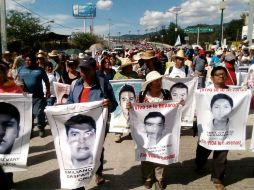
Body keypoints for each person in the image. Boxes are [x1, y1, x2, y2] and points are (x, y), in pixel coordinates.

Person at [67, 56, 118, 189]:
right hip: (78, 126)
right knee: (79, 151)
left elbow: (114, 104)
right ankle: (80, 182)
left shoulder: (103, 83)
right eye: (81, 70)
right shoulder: (76, 84)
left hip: (98, 126)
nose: (83, 73)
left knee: (97, 149)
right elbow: (70, 102)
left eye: (86, 70)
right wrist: (61, 108)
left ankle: (98, 172)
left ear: (94, 69)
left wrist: (109, 104)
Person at [195, 66, 230, 190]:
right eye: (218, 74)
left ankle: (218, 178)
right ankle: (200, 165)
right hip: (208, 129)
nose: (221, 76)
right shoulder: (204, 92)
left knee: (221, 154)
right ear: (212, 77)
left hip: (224, 130)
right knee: (203, 151)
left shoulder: (232, 92)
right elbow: (196, 105)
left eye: (223, 74)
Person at [17, 54, 50, 138]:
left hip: (38, 96)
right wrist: (21, 90)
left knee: (39, 113)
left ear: (35, 61)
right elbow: (18, 82)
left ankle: (41, 127)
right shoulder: (21, 69)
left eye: (29, 60)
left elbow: (46, 81)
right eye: (26, 60)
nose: (27, 62)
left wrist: (48, 91)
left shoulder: (40, 70)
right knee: (29, 115)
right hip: (26, 97)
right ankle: (30, 130)